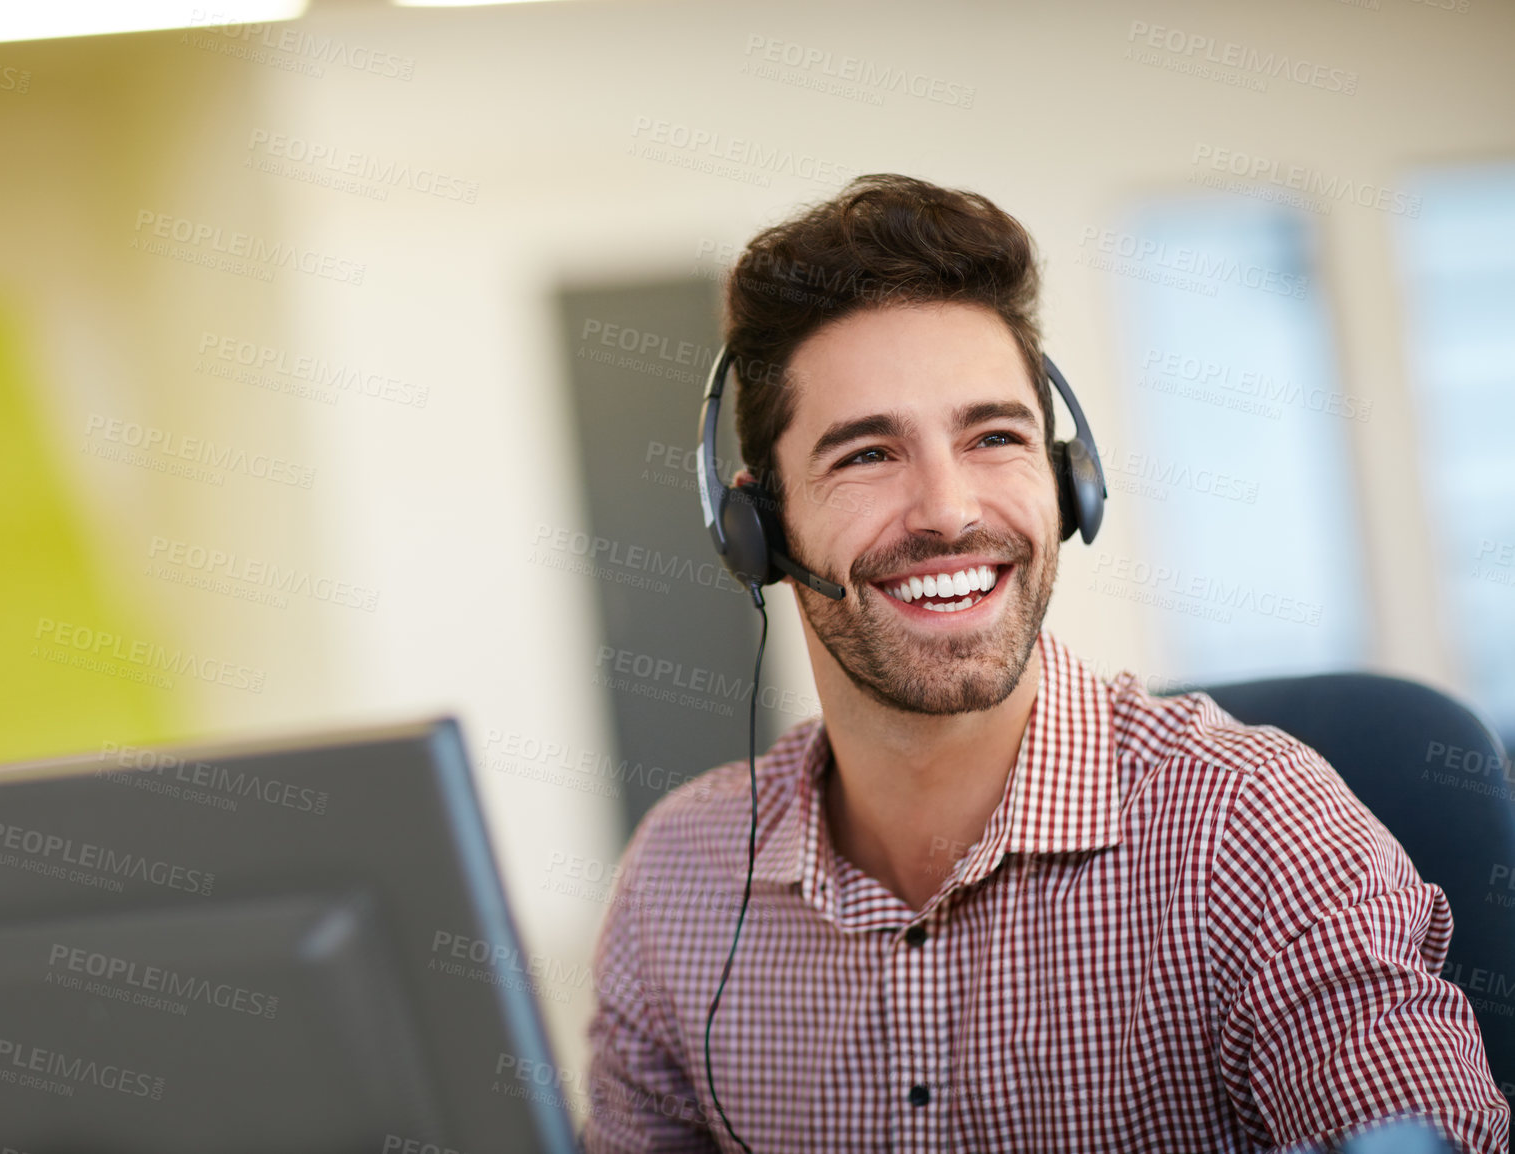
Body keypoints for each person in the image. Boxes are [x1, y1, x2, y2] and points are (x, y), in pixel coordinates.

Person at [581, 174, 1509, 1152]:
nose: (948, 510)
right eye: (866, 454)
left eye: (994, 436)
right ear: (756, 527)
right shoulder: (678, 881)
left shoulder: (1253, 828)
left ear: (1070, 485)